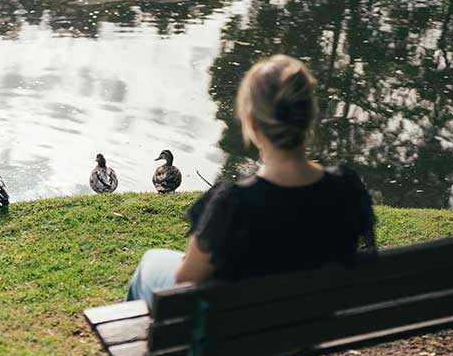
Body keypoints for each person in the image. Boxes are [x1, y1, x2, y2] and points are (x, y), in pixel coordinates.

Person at [126, 54, 376, 306]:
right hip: (311, 323)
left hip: (234, 332)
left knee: (150, 263)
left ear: (252, 122)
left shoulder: (232, 204)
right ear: (310, 115)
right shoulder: (347, 189)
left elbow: (185, 281)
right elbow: (359, 261)